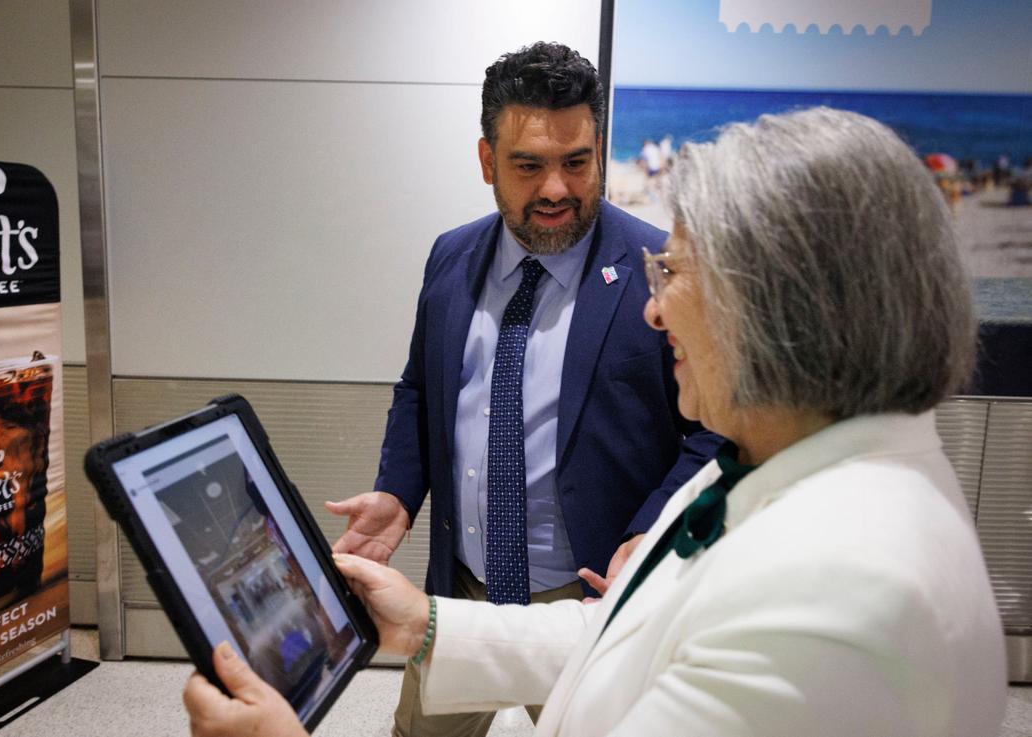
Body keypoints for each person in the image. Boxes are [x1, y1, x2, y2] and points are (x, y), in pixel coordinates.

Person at [184, 107, 1008, 737]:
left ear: (784, 309)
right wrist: (427, 622)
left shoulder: (836, 595)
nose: (653, 310)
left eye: (677, 272)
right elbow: (633, 627)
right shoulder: (777, 465)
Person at [323, 42, 720, 736]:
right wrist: (397, 493)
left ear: (600, 150)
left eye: (577, 162)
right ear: (487, 162)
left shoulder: (658, 271)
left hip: (590, 595)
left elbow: (714, 429)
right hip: (464, 584)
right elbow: (422, 387)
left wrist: (648, 530)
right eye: (528, 166)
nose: (557, 189)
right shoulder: (451, 256)